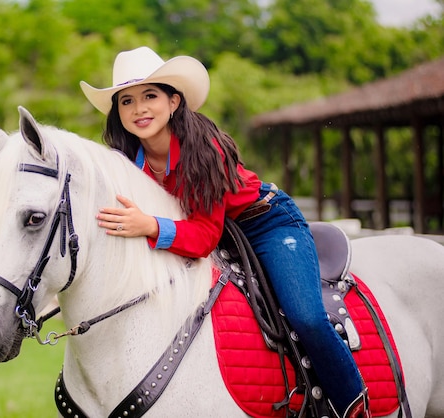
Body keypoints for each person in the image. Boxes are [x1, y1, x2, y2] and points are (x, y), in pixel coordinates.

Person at [80, 46, 371, 418]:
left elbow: (202, 237)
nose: (138, 109)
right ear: (117, 112)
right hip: (210, 230)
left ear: (173, 102)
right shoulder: (125, 160)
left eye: (149, 96)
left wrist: (149, 225)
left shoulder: (204, 149)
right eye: (127, 101)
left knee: (306, 316)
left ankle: (353, 404)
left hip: (265, 222)